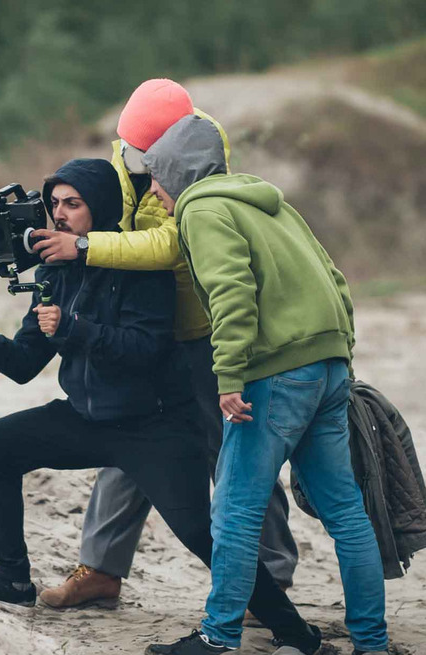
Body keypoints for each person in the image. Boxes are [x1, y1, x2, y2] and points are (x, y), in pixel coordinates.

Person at [0, 158, 321, 655]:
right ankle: (11, 579)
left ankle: (297, 634)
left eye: (72, 204)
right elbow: (23, 365)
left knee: (202, 536)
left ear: (98, 207)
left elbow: (143, 350)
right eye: (54, 204)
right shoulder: (56, 272)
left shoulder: (141, 267)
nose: (59, 214)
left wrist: (72, 328)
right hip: (86, 420)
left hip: (155, 428)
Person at [29, 79, 299, 612]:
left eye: (144, 157)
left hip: (203, 334)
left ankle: (271, 581)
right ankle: (101, 568)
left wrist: (82, 246)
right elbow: (115, 215)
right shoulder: (128, 146)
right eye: (128, 149)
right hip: (144, 328)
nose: (135, 164)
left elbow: (171, 244)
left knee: (236, 454)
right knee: (125, 439)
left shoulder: (197, 157)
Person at [139, 114, 390, 655]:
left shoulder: (201, 210)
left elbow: (232, 294)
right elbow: (334, 276)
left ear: (179, 172)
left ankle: (219, 637)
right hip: (327, 367)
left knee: (234, 509)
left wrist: (228, 378)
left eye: (157, 176)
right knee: (346, 509)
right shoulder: (269, 202)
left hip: (273, 375)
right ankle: (372, 643)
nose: (153, 189)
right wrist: (341, 353)